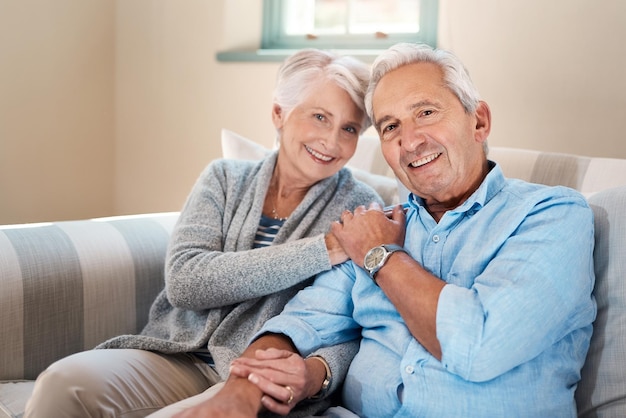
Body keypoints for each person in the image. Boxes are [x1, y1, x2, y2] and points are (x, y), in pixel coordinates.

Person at [177, 42, 597, 417]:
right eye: (391, 127)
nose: (410, 141)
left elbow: (478, 346)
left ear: (479, 122)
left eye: (426, 112)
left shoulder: (551, 214)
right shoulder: (376, 223)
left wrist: (382, 257)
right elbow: (301, 322)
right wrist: (239, 392)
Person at [24, 48, 384, 418]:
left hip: (256, 377)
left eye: (349, 128)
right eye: (320, 117)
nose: (332, 141)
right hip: (176, 353)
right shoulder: (224, 178)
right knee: (63, 382)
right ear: (279, 113)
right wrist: (321, 249)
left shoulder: (359, 208)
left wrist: (318, 375)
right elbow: (185, 281)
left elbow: (353, 323)